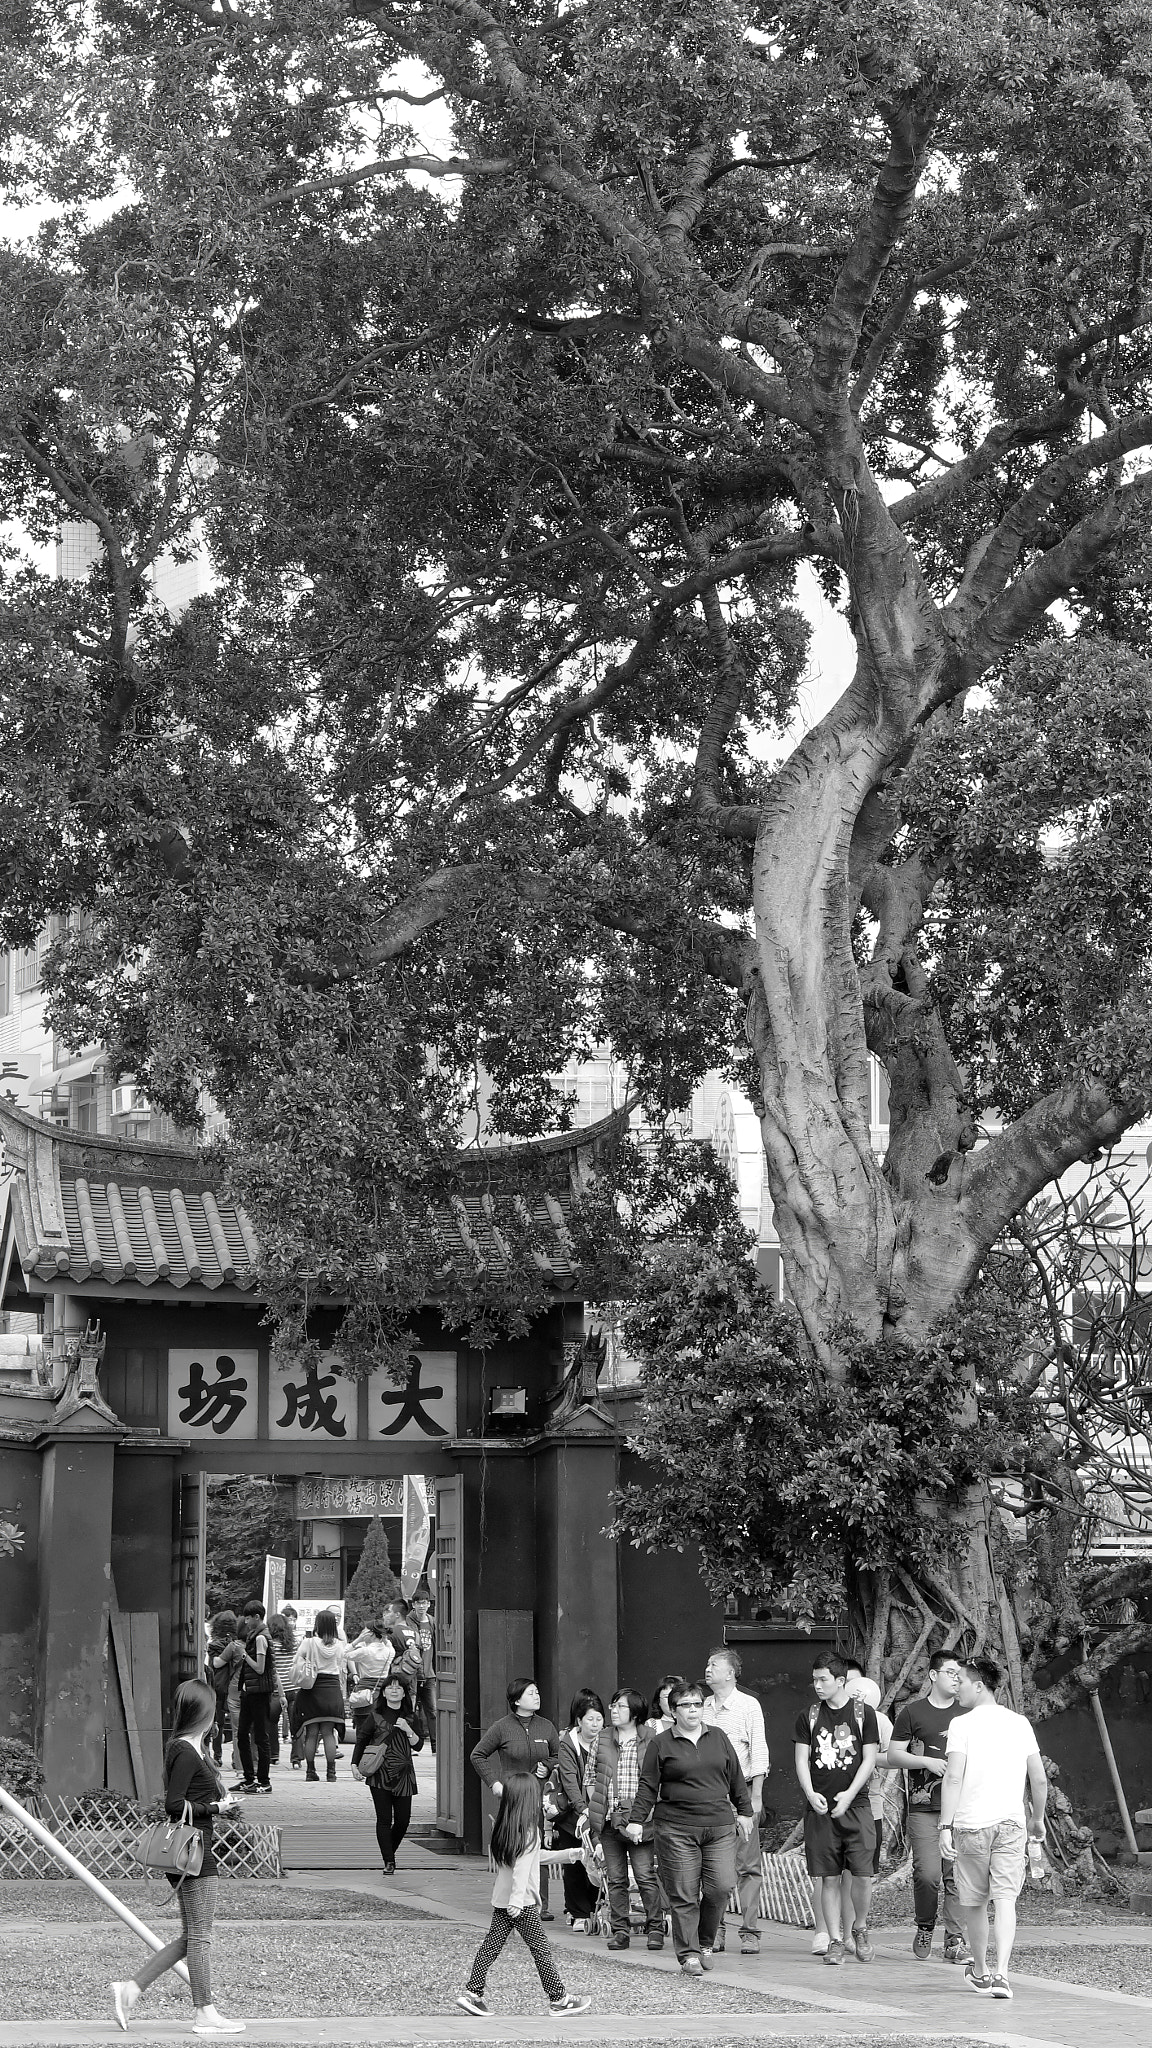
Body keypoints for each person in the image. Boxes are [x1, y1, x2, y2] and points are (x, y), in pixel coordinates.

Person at [110, 1679, 245, 2036]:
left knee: (192, 1936)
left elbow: (192, 1795)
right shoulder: (185, 1751)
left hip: (195, 1848)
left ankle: (132, 1988)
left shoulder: (192, 1748)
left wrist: (219, 1798)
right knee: (200, 1937)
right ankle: (204, 2012)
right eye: (212, 1705)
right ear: (203, 1711)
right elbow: (174, 1804)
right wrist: (215, 1806)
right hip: (194, 1852)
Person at [626, 1678, 754, 1977]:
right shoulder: (661, 1743)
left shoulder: (718, 1737)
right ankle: (689, 1955)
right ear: (674, 1711)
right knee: (684, 1893)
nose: (694, 1710)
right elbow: (648, 1785)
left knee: (721, 1886)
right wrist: (636, 1819)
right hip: (676, 1827)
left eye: (698, 1704)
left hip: (719, 1825)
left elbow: (735, 1776)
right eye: (686, 1705)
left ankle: (705, 1942)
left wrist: (745, 1812)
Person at [938, 1656, 1047, 2001]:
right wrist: (1037, 1818)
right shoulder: (1020, 1723)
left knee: (973, 1901)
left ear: (980, 1686)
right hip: (1012, 1824)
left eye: (962, 1681)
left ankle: (981, 1970)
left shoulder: (961, 1724)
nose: (956, 1687)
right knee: (1005, 1900)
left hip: (971, 1825)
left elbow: (953, 1776)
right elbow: (1039, 1779)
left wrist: (944, 1825)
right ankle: (1002, 1973)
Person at [456, 1775, 591, 2018]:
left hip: (503, 1899)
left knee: (491, 1947)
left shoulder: (505, 1826)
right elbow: (521, 1868)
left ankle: (472, 1993)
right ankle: (559, 1999)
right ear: (527, 1799)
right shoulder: (529, 1830)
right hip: (522, 1902)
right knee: (540, 1950)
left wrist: (572, 1854)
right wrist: (517, 1902)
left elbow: (532, 1858)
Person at [794, 1652, 879, 1966]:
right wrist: (810, 1792)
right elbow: (801, 1759)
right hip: (820, 1810)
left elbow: (869, 1759)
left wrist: (848, 1795)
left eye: (823, 1680)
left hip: (856, 1807)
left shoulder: (863, 1714)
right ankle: (833, 1939)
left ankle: (859, 1927)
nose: (817, 1685)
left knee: (863, 1875)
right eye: (815, 1679)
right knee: (828, 1877)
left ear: (841, 1681)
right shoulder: (809, 1716)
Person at [887, 1648, 971, 1964]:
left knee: (957, 1877)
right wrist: (926, 1761)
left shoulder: (967, 1714)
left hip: (961, 1809)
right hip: (924, 1806)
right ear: (934, 1675)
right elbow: (894, 1755)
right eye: (951, 1672)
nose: (956, 1678)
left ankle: (955, 1940)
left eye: (959, 1674)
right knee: (928, 1874)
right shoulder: (912, 1713)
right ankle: (925, 1925)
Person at [471, 1679, 560, 1919]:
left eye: (537, 1691)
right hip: (512, 1798)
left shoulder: (547, 1726)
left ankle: (540, 1903)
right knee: (513, 1846)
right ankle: (508, 1899)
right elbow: (477, 1755)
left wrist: (548, 1766)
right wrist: (494, 1783)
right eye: (531, 1693)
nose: (537, 1696)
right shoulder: (502, 1727)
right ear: (517, 1700)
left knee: (537, 1847)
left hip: (538, 1796)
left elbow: (558, 1755)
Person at [702, 1646, 770, 1956]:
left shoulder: (748, 1705)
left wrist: (755, 1797)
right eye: (708, 1663)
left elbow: (759, 1752)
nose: (708, 1669)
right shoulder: (702, 1706)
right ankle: (715, 1930)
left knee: (748, 1866)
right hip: (709, 1796)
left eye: (714, 1665)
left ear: (730, 1673)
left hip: (740, 1792)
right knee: (713, 1866)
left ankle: (750, 1931)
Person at [587, 1687, 664, 1951]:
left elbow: (659, 1781)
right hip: (609, 1817)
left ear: (635, 1712)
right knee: (616, 1877)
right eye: (613, 1705)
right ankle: (620, 1930)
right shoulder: (603, 1737)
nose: (613, 1710)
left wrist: (646, 1816)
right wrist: (595, 1806)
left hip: (642, 1817)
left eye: (620, 1706)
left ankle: (655, 1927)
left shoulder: (652, 1738)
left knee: (644, 1875)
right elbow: (590, 1776)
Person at [351, 1672, 424, 1873]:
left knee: (403, 1820)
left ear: (403, 1694)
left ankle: (388, 1851)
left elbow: (418, 1746)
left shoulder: (410, 1717)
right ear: (383, 1692)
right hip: (379, 1773)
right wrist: (354, 1764)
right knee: (384, 1819)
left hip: (404, 1775)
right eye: (390, 1687)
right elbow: (362, 1739)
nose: (394, 1690)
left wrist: (408, 1730)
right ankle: (389, 1861)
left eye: (398, 1687)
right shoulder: (375, 1716)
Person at [549, 1688, 604, 1932]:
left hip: (600, 1813)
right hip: (572, 1815)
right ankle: (578, 1912)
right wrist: (583, 1809)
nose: (595, 1724)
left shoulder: (608, 1742)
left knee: (597, 1861)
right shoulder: (567, 1744)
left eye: (599, 1718)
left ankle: (595, 1908)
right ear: (579, 1721)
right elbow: (570, 1780)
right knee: (573, 1864)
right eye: (590, 1719)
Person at [290, 1608, 353, 1781]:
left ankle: (310, 1772)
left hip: (312, 1690)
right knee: (328, 1733)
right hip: (332, 1691)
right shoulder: (340, 1646)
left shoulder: (308, 1643)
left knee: (311, 1733)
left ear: (317, 1624)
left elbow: (296, 1662)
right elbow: (342, 1665)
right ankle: (331, 1773)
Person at [230, 1601, 275, 1795]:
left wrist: (244, 1657)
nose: (246, 1621)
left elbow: (260, 1667)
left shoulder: (261, 1639)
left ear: (257, 1617)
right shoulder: (253, 1635)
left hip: (259, 1692)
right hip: (249, 1691)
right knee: (242, 1734)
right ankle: (249, 1779)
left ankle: (264, 1781)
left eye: (248, 1617)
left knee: (260, 1737)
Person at [347, 1619, 395, 1743]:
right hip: (382, 1691)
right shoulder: (389, 1651)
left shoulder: (365, 1651)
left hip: (364, 1691)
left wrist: (358, 1640)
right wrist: (384, 1639)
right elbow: (388, 1644)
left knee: (362, 1730)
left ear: (371, 1634)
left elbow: (344, 1653)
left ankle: (360, 1759)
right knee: (380, 1729)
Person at [205, 1612, 236, 1766]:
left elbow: (212, 1666)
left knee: (218, 1721)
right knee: (238, 1724)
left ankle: (217, 1755)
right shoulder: (237, 1643)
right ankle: (236, 1757)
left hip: (217, 1685)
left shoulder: (214, 1645)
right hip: (235, 1685)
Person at [266, 1613, 295, 1767]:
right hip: (294, 1687)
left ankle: (274, 1755)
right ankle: (296, 1758)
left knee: (272, 1722)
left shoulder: (270, 1645)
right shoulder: (294, 1644)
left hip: (276, 1689)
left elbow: (271, 1668)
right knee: (295, 1724)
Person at [410, 1591, 437, 1752]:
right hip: (413, 1673)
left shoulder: (432, 1621)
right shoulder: (409, 1621)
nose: (421, 1606)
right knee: (410, 1710)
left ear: (429, 1604)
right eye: (418, 1603)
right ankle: (412, 1744)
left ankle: (435, 1745)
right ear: (413, 1605)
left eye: (424, 1602)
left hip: (430, 1673)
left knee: (432, 1710)